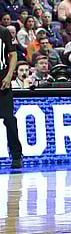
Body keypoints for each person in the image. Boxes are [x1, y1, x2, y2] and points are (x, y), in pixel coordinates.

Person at [0, 26, 23, 168]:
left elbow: (13, 54)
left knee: (9, 119)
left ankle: (16, 155)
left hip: (2, 78)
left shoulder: (3, 32)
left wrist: (9, 76)